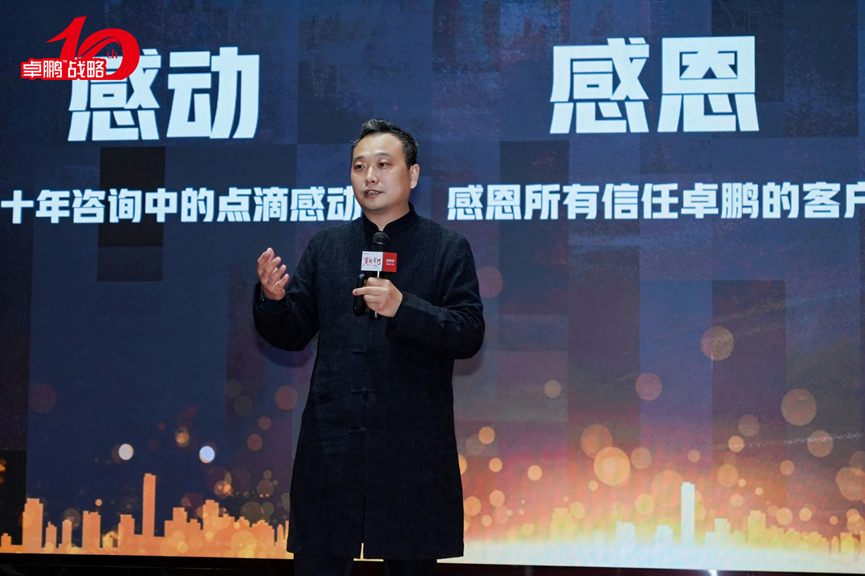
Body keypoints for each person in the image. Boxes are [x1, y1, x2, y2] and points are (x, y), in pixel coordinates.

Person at [253, 119, 485, 576]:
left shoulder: (446, 248)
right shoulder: (327, 248)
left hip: (411, 451)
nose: (370, 177)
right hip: (332, 447)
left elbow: (468, 331)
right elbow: (292, 333)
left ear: (412, 175)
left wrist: (403, 308)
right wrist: (273, 301)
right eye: (359, 167)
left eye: (383, 164)